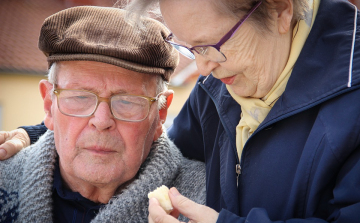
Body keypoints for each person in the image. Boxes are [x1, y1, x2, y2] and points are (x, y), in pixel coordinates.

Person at [2, 0, 360, 222]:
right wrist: (38, 137)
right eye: (191, 49)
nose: (203, 71)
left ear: (280, 9)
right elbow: (143, 140)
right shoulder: (222, 81)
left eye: (212, 45)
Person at [0, 6, 206, 222]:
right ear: (49, 104)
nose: (102, 121)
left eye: (127, 101)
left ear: (160, 113)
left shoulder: (207, 200)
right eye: (80, 97)